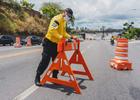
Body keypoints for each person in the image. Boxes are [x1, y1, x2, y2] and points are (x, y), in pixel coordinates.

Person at [35, 8, 74, 86]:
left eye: (70, 16)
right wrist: (62, 38)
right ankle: (37, 77)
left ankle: (54, 78)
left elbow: (63, 33)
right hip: (49, 42)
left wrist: (70, 37)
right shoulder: (57, 19)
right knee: (45, 61)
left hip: (56, 44)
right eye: (68, 15)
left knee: (56, 61)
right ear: (65, 12)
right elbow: (52, 30)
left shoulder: (64, 22)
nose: (69, 17)